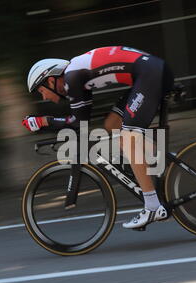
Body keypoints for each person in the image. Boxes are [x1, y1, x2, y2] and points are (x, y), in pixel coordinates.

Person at [22, 46, 174, 230]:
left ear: (51, 80)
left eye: (41, 90)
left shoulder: (72, 77)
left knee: (128, 138)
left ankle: (152, 207)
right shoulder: (75, 75)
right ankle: (159, 161)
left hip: (149, 74)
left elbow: (77, 122)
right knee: (112, 124)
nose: (44, 97)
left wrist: (43, 121)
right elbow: (82, 121)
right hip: (150, 72)